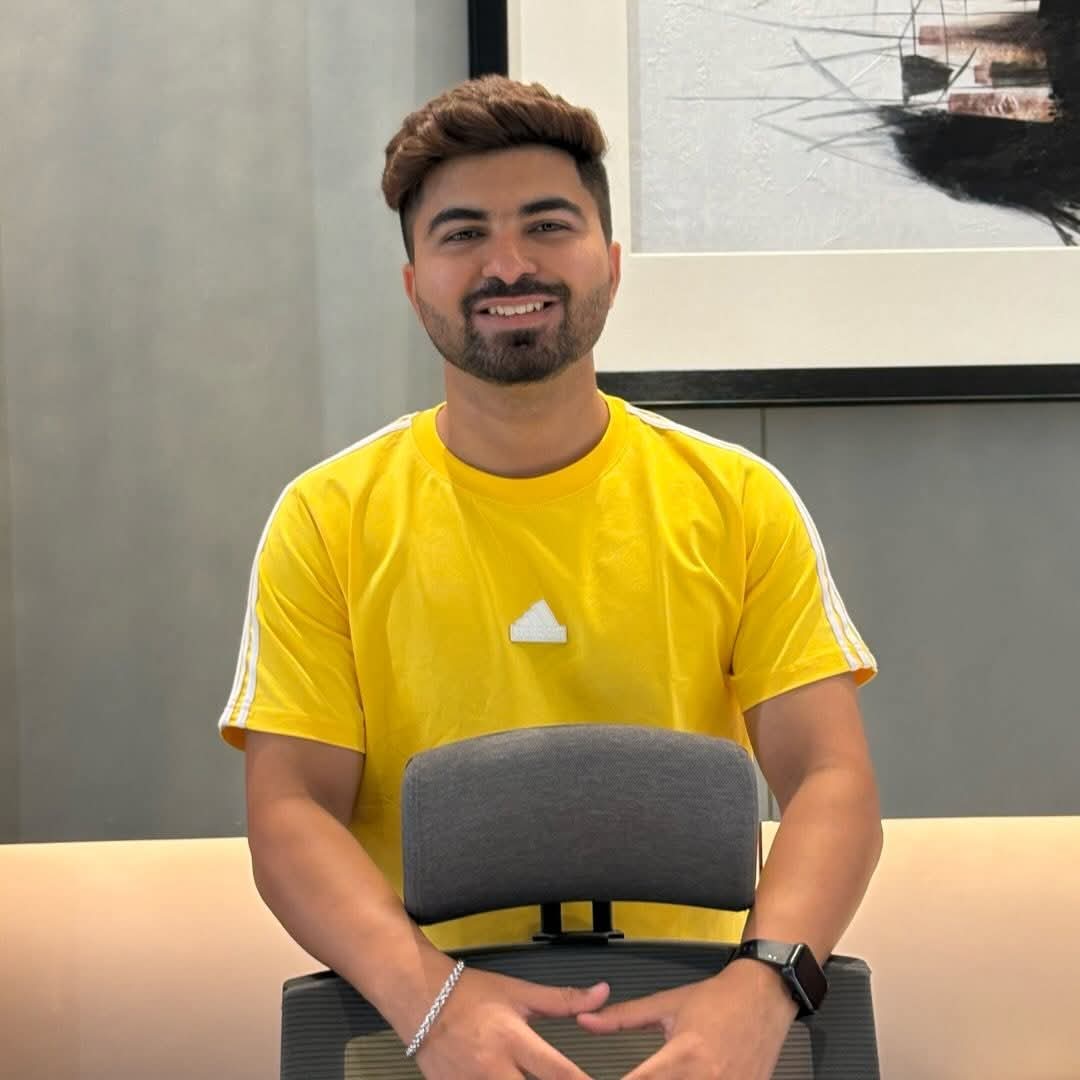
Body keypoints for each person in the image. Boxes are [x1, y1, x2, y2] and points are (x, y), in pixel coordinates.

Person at [218, 75, 883, 1079]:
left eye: (547, 225)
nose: (508, 264)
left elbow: (831, 778)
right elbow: (290, 813)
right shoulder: (327, 517)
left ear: (610, 262)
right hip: (421, 1039)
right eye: (462, 235)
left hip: (701, 1037)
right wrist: (433, 1004)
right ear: (413, 282)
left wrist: (765, 988)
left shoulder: (740, 501)